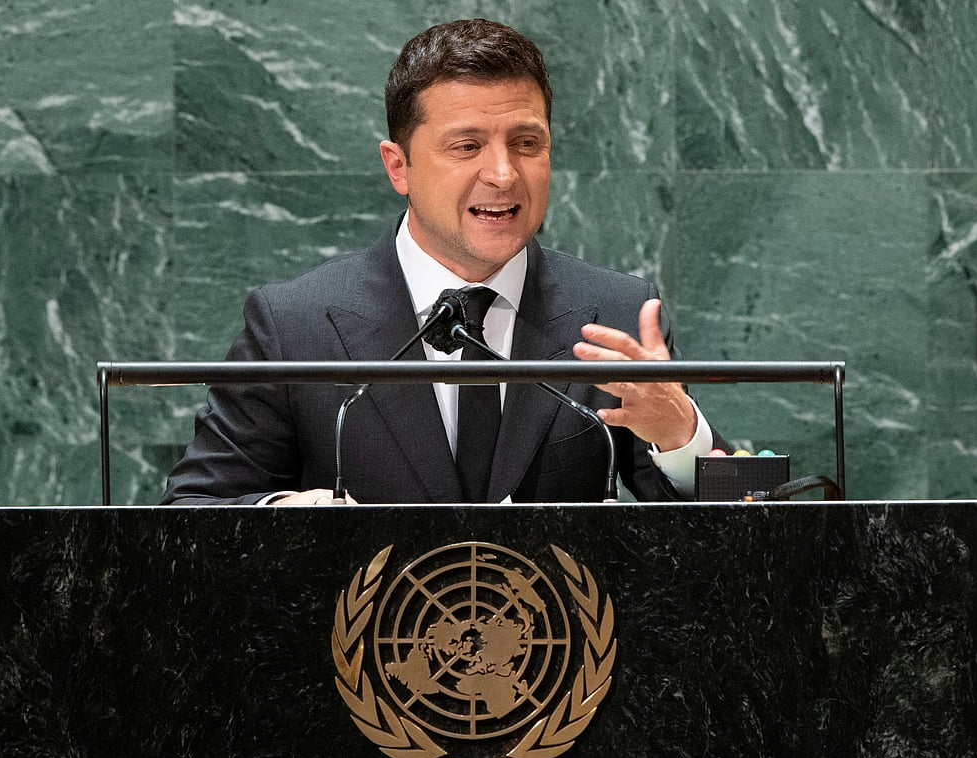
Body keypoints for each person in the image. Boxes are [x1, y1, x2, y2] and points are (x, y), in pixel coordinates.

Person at [163, 18, 725, 506]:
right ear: (398, 166)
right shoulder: (294, 326)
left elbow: (744, 528)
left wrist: (679, 434)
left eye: (527, 143)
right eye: (467, 146)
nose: (504, 174)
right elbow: (194, 508)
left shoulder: (617, 317)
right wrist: (295, 514)